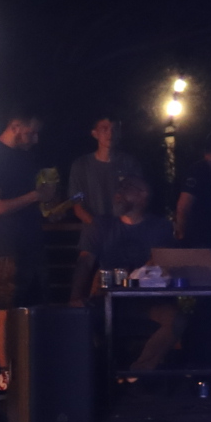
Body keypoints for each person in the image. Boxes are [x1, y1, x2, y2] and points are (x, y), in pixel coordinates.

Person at [0, 107, 49, 391]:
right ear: (15, 126)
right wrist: (34, 196)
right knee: (7, 304)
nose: (35, 139)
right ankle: (5, 373)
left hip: (31, 239)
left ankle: (30, 368)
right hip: (6, 242)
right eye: (31, 132)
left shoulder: (24, 157)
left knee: (34, 304)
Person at [90, 178, 182, 373]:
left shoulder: (160, 226)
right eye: (120, 188)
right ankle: (95, 376)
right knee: (76, 316)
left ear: (143, 195)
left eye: (127, 188)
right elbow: (85, 261)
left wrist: (140, 274)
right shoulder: (102, 224)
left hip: (146, 302)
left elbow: (162, 263)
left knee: (177, 320)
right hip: (108, 300)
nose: (119, 193)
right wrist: (75, 297)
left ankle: (138, 372)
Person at [66, 116, 146, 299]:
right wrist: (98, 227)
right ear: (94, 133)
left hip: (124, 233)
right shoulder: (81, 166)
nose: (110, 133)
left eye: (114, 128)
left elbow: (139, 198)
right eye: (104, 128)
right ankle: (76, 305)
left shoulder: (129, 163)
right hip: (93, 232)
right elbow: (77, 205)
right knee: (86, 276)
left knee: (124, 285)